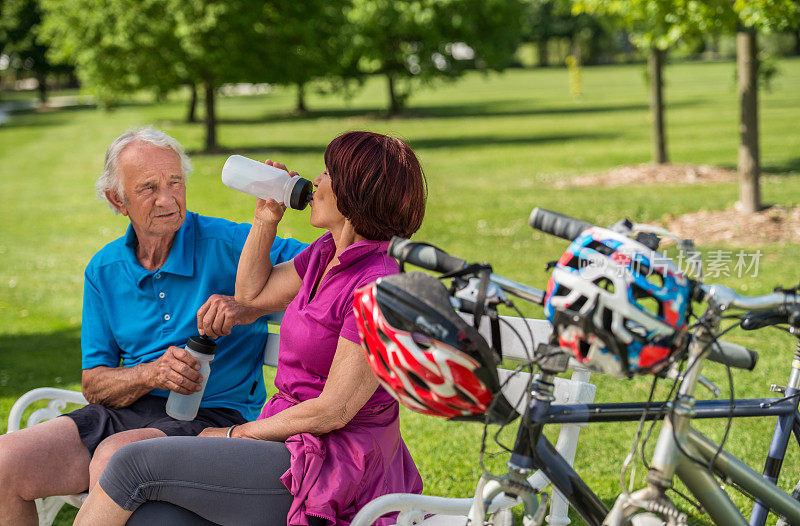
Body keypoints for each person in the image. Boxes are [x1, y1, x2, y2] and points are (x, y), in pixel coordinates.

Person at [74, 130, 428, 526]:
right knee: (155, 517)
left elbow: (334, 411)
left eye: (327, 173)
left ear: (352, 194)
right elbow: (251, 294)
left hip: (332, 460)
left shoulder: (376, 285)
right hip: (286, 439)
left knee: (130, 464)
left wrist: (234, 436)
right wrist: (265, 219)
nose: (317, 182)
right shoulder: (326, 254)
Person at [0, 128, 305, 526]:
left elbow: (329, 264)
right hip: (127, 412)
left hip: (214, 417)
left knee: (116, 457)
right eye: (147, 188)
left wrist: (248, 305)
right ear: (117, 200)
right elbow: (94, 385)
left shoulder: (231, 243)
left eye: (174, 181)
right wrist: (151, 372)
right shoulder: (104, 269)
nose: (167, 199)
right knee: (6, 463)